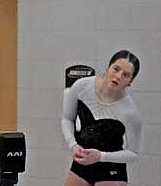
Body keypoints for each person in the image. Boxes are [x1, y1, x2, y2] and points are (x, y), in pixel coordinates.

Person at [61, 50, 142, 186]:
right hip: (82, 163)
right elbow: (67, 118)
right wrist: (72, 144)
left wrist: (101, 156)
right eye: (116, 69)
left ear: (130, 82)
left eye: (126, 75)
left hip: (111, 169)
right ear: (108, 67)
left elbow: (134, 153)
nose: (118, 76)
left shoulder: (130, 112)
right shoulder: (81, 86)